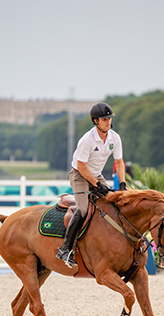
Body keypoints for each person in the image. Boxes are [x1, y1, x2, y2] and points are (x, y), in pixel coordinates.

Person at [55, 102, 127, 268]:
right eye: (104, 119)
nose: (108, 121)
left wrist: (122, 183)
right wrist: (96, 184)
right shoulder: (87, 140)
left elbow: (119, 162)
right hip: (80, 176)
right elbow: (81, 166)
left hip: (96, 175)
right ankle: (65, 249)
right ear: (96, 121)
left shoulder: (114, 138)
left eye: (109, 118)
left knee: (115, 203)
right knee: (83, 209)